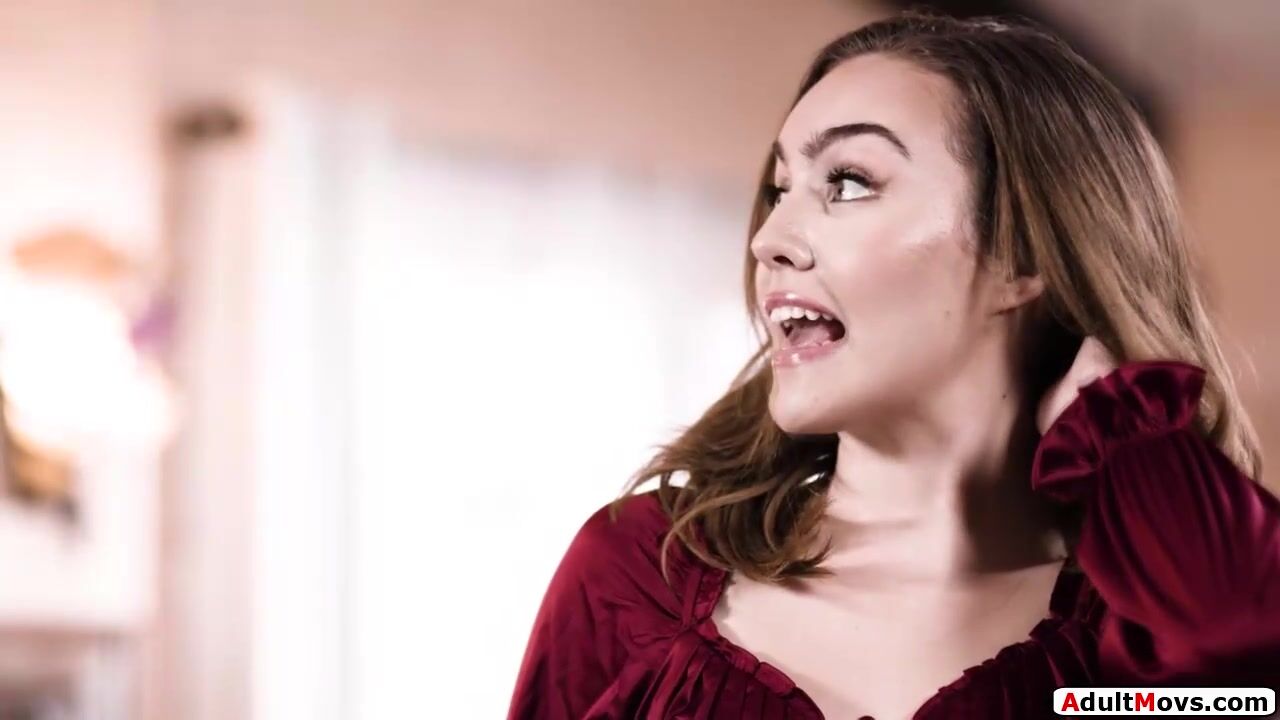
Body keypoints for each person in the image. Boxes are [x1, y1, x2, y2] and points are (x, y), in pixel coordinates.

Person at [508, 12, 1280, 720]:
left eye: (847, 183)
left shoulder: (1133, 648)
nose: (769, 239)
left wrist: (1127, 434)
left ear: (1021, 256)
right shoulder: (640, 575)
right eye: (780, 189)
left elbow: (1248, 659)